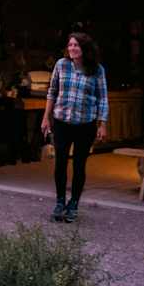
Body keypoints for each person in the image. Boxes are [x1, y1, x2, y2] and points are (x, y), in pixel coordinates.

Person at [40, 32, 108, 223]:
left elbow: (102, 98)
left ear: (85, 49)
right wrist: (46, 117)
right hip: (62, 122)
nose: (72, 48)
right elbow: (52, 92)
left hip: (85, 125)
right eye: (70, 45)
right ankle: (60, 202)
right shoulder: (61, 65)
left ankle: (74, 204)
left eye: (76, 45)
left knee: (79, 165)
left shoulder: (97, 70)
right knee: (60, 162)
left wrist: (102, 124)